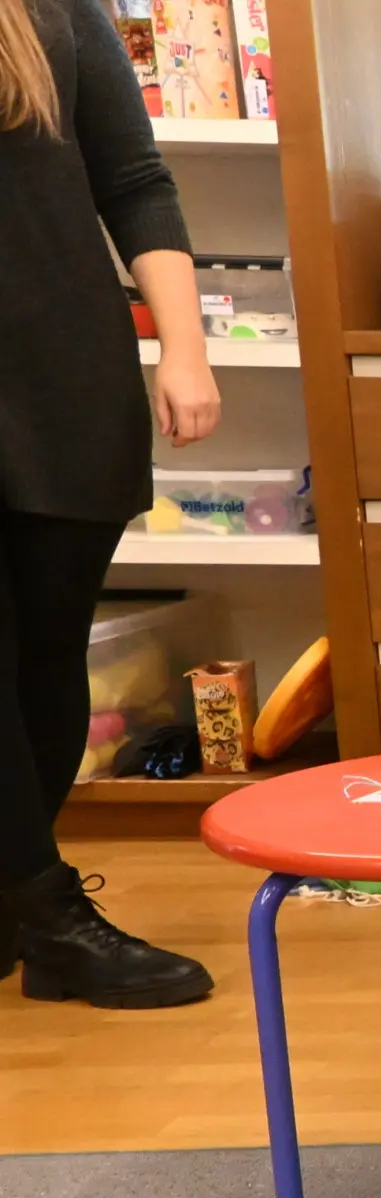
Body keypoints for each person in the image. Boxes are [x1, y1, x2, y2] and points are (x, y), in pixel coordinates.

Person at [0, 0, 218, 1007]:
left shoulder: (54, 15)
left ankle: (19, 908)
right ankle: (48, 916)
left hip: (60, 380)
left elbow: (134, 180)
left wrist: (184, 348)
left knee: (47, 657)